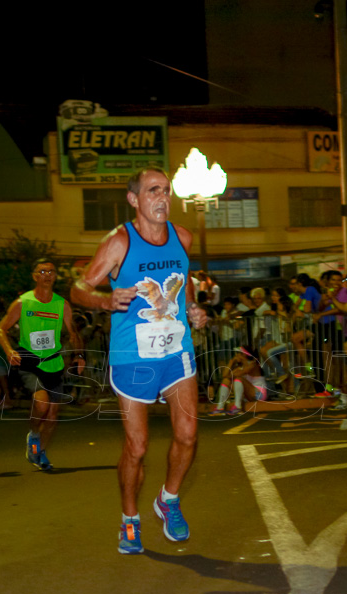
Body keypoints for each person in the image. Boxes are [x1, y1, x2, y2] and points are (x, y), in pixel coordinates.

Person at [70, 166, 208, 555]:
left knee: (187, 434)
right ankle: (130, 520)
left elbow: (186, 277)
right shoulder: (119, 242)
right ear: (134, 199)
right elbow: (79, 287)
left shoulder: (182, 236)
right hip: (133, 356)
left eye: (166, 190)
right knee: (138, 446)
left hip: (176, 351)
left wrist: (193, 306)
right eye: (152, 191)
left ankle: (169, 499)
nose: (162, 198)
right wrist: (102, 300)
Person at [0, 258, 85, 471]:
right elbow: (1, 329)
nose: (47, 275)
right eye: (42, 271)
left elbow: (73, 333)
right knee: (41, 405)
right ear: (35, 276)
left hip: (53, 362)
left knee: (53, 416)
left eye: (51, 272)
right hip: (29, 360)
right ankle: (34, 434)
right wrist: (9, 350)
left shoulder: (61, 304)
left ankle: (41, 452)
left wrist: (79, 355)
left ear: (55, 276)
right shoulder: (22, 302)